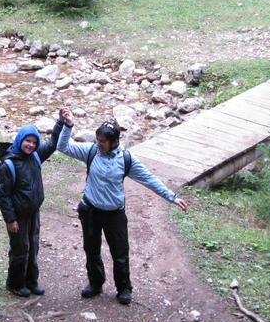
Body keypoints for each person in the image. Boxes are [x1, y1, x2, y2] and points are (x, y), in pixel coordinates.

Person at [56, 107, 187, 305]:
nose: (98, 144)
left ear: (114, 141)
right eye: (97, 140)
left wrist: (171, 197)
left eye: (102, 141)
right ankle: (96, 283)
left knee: (120, 253)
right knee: (91, 249)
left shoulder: (126, 159)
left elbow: (149, 179)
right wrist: (68, 125)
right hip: (90, 210)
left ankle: (124, 289)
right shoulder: (91, 151)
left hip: (114, 214)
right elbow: (63, 146)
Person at [0, 118, 64, 297]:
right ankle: (15, 284)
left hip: (33, 212)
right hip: (18, 215)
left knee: (33, 247)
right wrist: (10, 219)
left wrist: (61, 123)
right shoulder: (8, 165)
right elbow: (3, 195)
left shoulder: (35, 156)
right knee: (20, 249)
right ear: (19, 140)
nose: (31, 145)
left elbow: (52, 144)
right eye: (27, 141)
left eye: (34, 142)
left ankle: (32, 282)